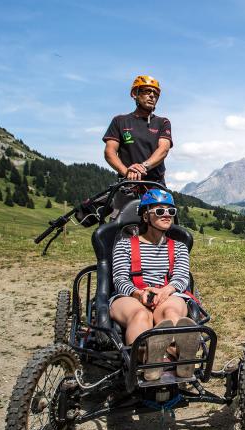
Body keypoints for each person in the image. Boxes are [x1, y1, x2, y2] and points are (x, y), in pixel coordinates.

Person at [109, 188, 198, 380]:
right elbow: (120, 278)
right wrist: (138, 294)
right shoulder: (125, 245)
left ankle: (180, 354)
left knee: (171, 312)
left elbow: (182, 277)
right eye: (159, 211)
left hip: (167, 293)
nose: (166, 215)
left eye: (170, 211)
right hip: (131, 295)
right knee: (140, 314)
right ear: (145, 216)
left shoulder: (180, 247)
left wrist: (165, 291)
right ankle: (147, 357)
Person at [103, 75, 173, 186]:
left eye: (156, 94)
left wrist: (143, 166)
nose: (152, 96)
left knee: (162, 204)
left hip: (155, 184)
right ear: (135, 94)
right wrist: (126, 172)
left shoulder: (163, 122)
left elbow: (164, 149)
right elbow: (109, 152)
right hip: (127, 183)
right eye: (147, 91)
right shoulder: (119, 121)